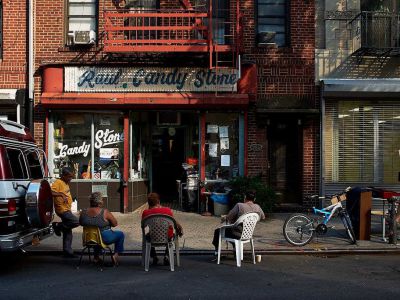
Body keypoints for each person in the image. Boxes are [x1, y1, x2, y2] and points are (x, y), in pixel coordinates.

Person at [211, 190, 265, 255]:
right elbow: (263, 217)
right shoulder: (257, 207)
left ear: (245, 197)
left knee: (218, 231)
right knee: (232, 230)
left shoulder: (239, 205)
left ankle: (217, 252)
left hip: (236, 234)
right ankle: (236, 250)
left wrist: (224, 217)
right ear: (254, 199)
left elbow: (229, 217)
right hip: (248, 234)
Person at [79, 192, 124, 265]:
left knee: (96, 235)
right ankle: (115, 256)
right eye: (102, 200)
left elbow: (81, 223)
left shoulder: (83, 212)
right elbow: (115, 224)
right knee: (121, 234)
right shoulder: (104, 212)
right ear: (99, 202)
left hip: (89, 238)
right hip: (104, 238)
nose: (103, 201)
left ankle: (96, 257)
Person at [141, 192, 183, 266]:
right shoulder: (167, 210)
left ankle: (154, 256)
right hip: (167, 237)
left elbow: (143, 226)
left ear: (148, 203)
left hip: (152, 237)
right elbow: (174, 223)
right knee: (170, 233)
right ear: (159, 201)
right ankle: (167, 256)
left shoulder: (145, 212)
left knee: (147, 236)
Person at [51, 167, 80, 258]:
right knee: (76, 221)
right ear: (63, 176)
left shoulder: (65, 183)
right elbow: (50, 192)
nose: (70, 179)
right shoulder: (58, 182)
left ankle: (67, 251)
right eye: (69, 177)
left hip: (67, 208)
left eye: (71, 177)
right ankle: (57, 226)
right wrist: (61, 194)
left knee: (67, 231)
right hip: (62, 209)